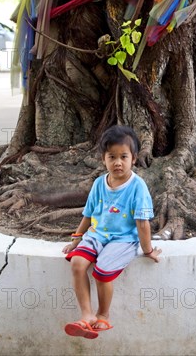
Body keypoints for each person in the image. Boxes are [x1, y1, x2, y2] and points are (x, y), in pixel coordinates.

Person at [62, 125, 162, 340]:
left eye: (123, 157)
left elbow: (142, 223)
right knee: (78, 264)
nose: (118, 162)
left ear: (133, 158)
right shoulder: (99, 183)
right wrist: (76, 240)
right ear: (103, 159)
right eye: (112, 157)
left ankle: (103, 315)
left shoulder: (138, 187)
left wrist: (148, 250)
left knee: (102, 271)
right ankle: (86, 315)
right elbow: (88, 214)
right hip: (97, 235)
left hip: (123, 240)